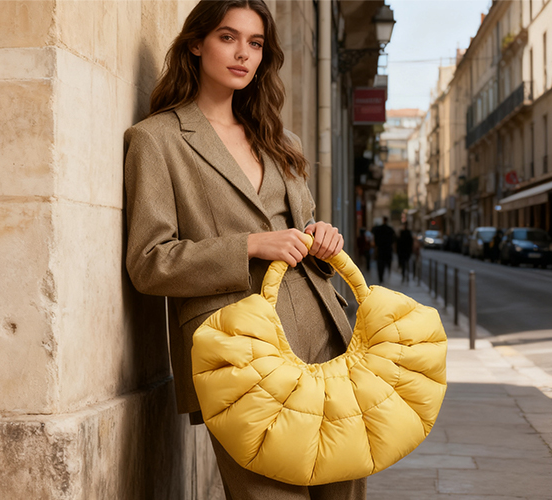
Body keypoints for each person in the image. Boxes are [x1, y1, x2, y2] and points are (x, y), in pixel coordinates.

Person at [123, 2, 365, 498]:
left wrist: (323, 238)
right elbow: (149, 263)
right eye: (228, 38)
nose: (243, 54)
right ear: (196, 43)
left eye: (255, 43)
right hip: (237, 352)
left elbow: (303, 226)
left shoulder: (281, 140)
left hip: (323, 338)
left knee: (344, 489)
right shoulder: (157, 140)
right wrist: (250, 245)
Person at [371, 217, 396, 283]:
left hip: (381, 250)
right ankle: (385, 276)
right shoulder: (389, 229)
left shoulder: (378, 229)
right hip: (387, 250)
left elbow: (374, 236)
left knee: (380, 265)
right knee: (387, 264)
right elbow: (393, 239)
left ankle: (381, 278)